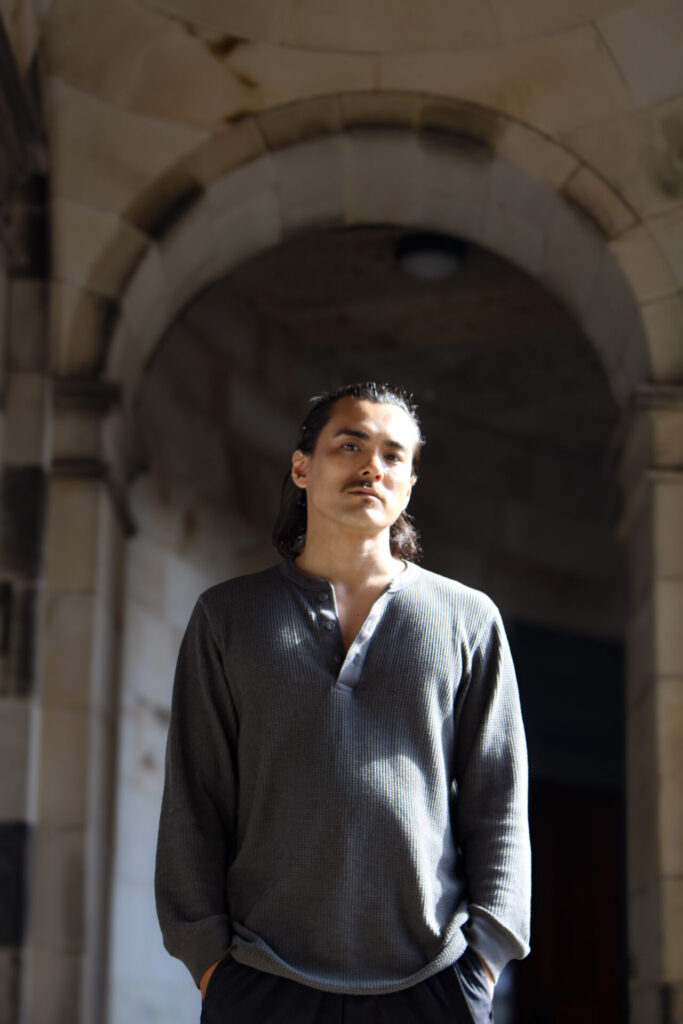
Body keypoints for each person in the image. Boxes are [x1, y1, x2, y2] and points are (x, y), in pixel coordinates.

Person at [155, 382, 531, 1023]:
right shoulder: (227, 616)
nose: (371, 467)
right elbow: (195, 798)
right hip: (261, 983)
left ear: (410, 483)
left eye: (393, 455)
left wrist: (485, 960)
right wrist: (211, 965)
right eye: (350, 445)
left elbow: (499, 798)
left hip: (435, 985)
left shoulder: (469, 619)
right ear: (302, 467)